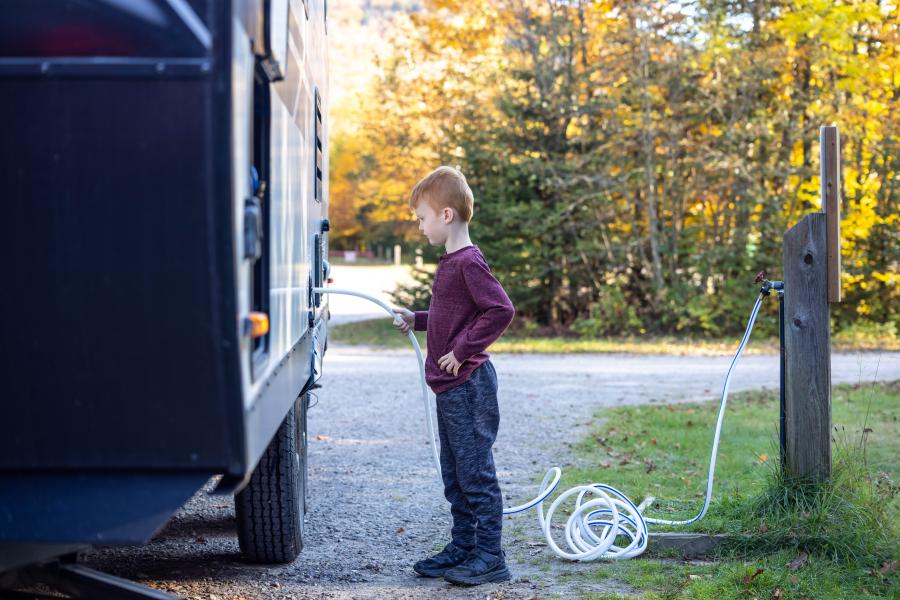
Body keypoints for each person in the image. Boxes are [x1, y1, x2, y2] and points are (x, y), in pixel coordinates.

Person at [392, 166, 515, 586]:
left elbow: (500, 309)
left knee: (476, 472)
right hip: (450, 390)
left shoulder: (469, 262)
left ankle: (490, 556)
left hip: (468, 386)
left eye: (422, 217)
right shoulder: (451, 263)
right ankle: (463, 546)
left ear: (446, 215)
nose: (420, 226)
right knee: (455, 472)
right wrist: (418, 318)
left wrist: (463, 351)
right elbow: (452, 314)